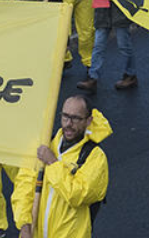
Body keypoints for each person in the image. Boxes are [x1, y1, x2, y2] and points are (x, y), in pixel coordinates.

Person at [12, 94, 110, 238]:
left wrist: (52, 163)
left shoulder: (95, 157)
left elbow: (77, 195)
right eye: (65, 116)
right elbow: (23, 187)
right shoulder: (44, 145)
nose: (68, 123)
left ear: (89, 120)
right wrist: (24, 226)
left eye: (76, 118)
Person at [85, 0, 137, 94]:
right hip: (102, 6)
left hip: (118, 6)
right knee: (98, 45)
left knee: (124, 46)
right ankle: (92, 77)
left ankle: (130, 75)